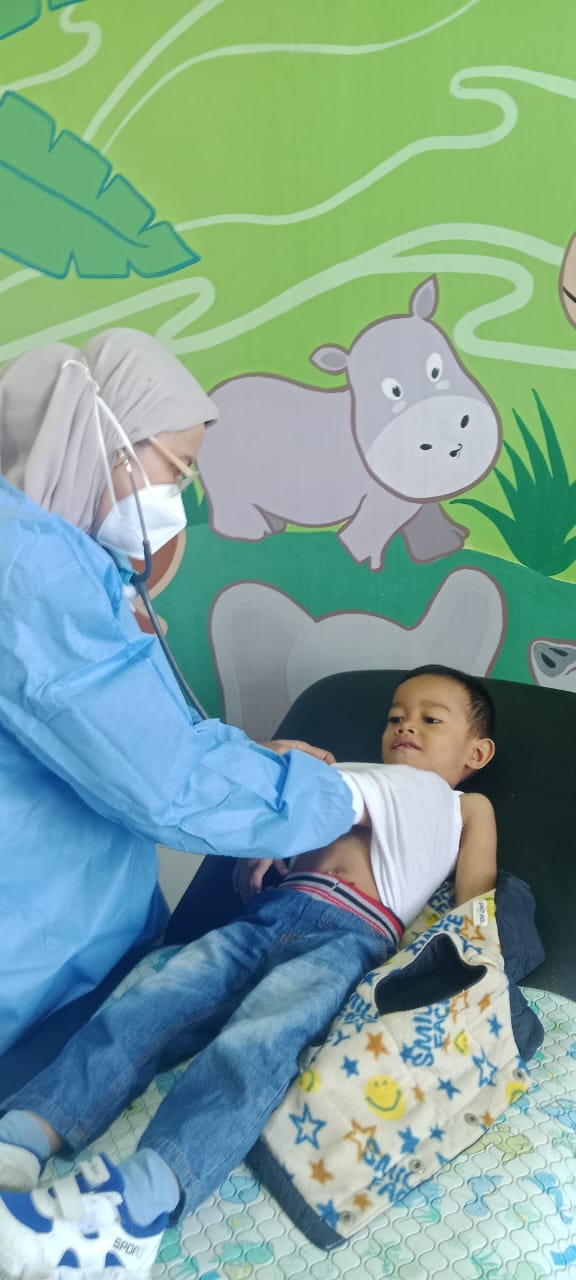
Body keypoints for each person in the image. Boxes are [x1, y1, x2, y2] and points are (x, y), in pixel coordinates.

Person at [0, 666, 497, 1276]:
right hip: (267, 915)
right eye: (396, 716)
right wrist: (269, 843)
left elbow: (478, 910)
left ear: (476, 752)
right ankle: (21, 1139)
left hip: (349, 936)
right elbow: (289, 822)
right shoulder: (353, 772)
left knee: (260, 1040)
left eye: (430, 718)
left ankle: (136, 1211)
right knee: (149, 1003)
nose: (405, 727)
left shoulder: (460, 803)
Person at [0, 328, 359, 1066]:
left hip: (72, 948)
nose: (179, 497)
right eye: (177, 469)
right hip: (30, 962)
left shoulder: (62, 561)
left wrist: (252, 762)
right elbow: (163, 780)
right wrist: (344, 795)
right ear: (107, 442)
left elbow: (120, 732)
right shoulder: (35, 570)